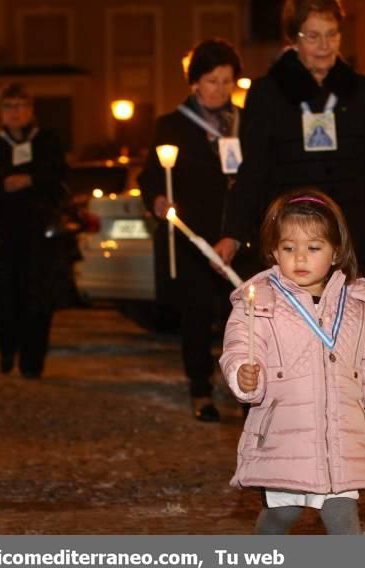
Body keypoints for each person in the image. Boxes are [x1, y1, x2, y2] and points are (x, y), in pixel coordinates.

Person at [220, 188, 365, 534]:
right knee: (283, 514)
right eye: (289, 248)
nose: (300, 259)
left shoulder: (359, 307)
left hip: (341, 439)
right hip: (286, 438)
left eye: (314, 248)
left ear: (335, 251)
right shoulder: (260, 302)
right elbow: (240, 347)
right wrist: (243, 376)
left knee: (343, 519)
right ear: (274, 251)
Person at [215, 0, 365, 273]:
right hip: (293, 239)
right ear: (294, 39)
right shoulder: (268, 93)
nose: (324, 45)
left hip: (351, 237)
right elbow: (253, 170)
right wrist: (233, 234)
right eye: (313, 36)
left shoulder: (358, 91)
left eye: (332, 34)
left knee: (351, 315)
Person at [138, 38, 246, 422]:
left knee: (244, 316)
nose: (220, 89)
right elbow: (151, 177)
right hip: (194, 238)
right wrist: (156, 201)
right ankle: (200, 388)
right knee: (198, 314)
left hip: (237, 235)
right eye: (212, 80)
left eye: (227, 81)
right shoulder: (173, 126)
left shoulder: (244, 123)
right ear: (195, 83)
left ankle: (247, 388)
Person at [0, 83, 68, 379]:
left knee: (38, 297)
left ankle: (32, 360)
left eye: (20, 106)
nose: (15, 113)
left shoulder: (49, 141)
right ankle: (6, 348)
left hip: (39, 233)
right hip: (2, 234)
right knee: (5, 295)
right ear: (1, 112)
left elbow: (58, 179)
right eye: (9, 106)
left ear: (31, 109)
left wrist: (30, 180)